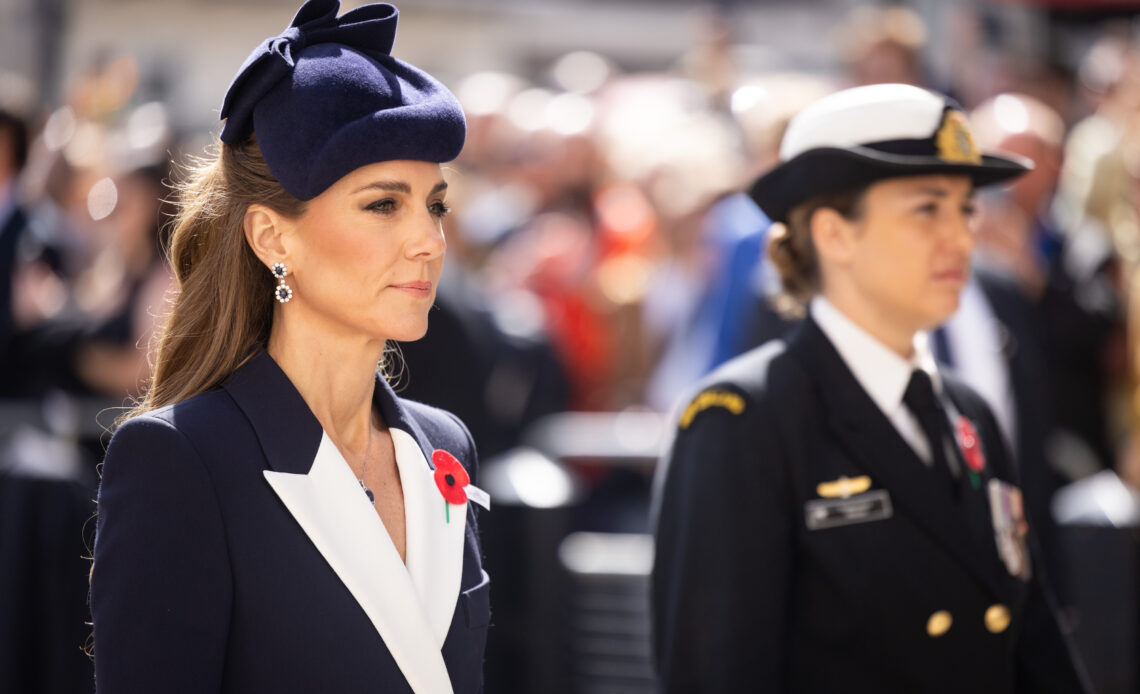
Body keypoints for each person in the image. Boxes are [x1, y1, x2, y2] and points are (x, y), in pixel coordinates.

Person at [89, 2, 490, 693]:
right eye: (383, 204)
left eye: (436, 204)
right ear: (273, 238)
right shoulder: (182, 458)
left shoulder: (444, 444)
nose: (429, 239)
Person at [651, 83, 1091, 693]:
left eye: (966, 208)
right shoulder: (742, 419)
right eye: (926, 209)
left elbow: (1034, 647)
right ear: (834, 234)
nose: (961, 237)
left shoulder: (968, 413)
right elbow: (717, 672)